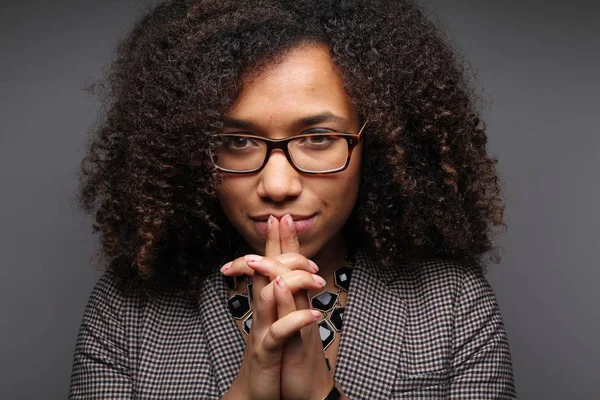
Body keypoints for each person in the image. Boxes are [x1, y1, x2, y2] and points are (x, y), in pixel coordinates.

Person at [69, 0, 517, 398]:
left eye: (319, 138)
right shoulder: (128, 309)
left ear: (376, 146)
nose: (278, 184)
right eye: (238, 142)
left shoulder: (453, 304)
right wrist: (248, 391)